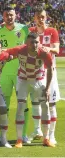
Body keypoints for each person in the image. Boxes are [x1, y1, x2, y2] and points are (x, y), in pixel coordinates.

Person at [3, 32, 55, 148]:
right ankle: (19, 139)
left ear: (39, 42)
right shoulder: (20, 49)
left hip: (38, 80)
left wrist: (47, 89)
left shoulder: (44, 53)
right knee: (21, 107)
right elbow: (6, 52)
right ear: (27, 43)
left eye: (37, 42)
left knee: (45, 106)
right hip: (23, 80)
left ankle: (46, 138)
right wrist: (8, 57)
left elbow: (50, 69)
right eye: (32, 42)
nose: (35, 44)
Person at [0, 6, 30, 143]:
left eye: (11, 14)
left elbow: (29, 47)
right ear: (3, 16)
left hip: (21, 73)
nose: (9, 17)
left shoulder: (24, 29)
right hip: (3, 73)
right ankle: (2, 136)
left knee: (23, 105)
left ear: (16, 15)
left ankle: (23, 135)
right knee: (3, 105)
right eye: (6, 14)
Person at [28, 7, 60, 144]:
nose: (40, 19)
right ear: (34, 18)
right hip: (34, 73)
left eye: (43, 17)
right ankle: (37, 130)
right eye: (38, 17)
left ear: (45, 17)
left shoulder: (52, 31)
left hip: (49, 72)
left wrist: (48, 48)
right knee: (36, 102)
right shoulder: (31, 32)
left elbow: (57, 50)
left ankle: (51, 135)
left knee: (51, 104)